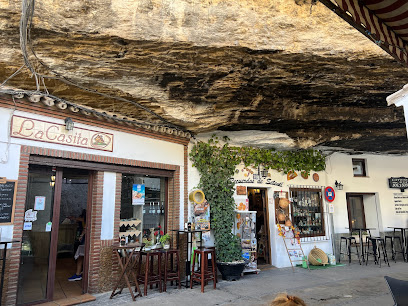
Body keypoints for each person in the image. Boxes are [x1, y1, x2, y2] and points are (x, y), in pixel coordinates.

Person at [68, 209, 86, 281]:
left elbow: (85, 226)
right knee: (81, 255)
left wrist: (81, 235)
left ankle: (79, 273)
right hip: (83, 236)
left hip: (85, 237)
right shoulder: (83, 218)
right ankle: (80, 273)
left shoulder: (86, 218)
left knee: (81, 255)